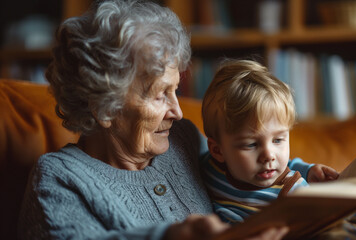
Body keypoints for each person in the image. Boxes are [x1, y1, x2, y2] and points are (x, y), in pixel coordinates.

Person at [17, 1, 289, 239]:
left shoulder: (183, 138)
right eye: (160, 95)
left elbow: (244, 179)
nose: (178, 112)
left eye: (175, 91)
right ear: (103, 106)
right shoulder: (60, 178)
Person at [201, 59, 339, 223]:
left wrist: (306, 171)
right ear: (218, 151)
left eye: (278, 140)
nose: (269, 155)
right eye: (251, 144)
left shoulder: (293, 191)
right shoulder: (208, 168)